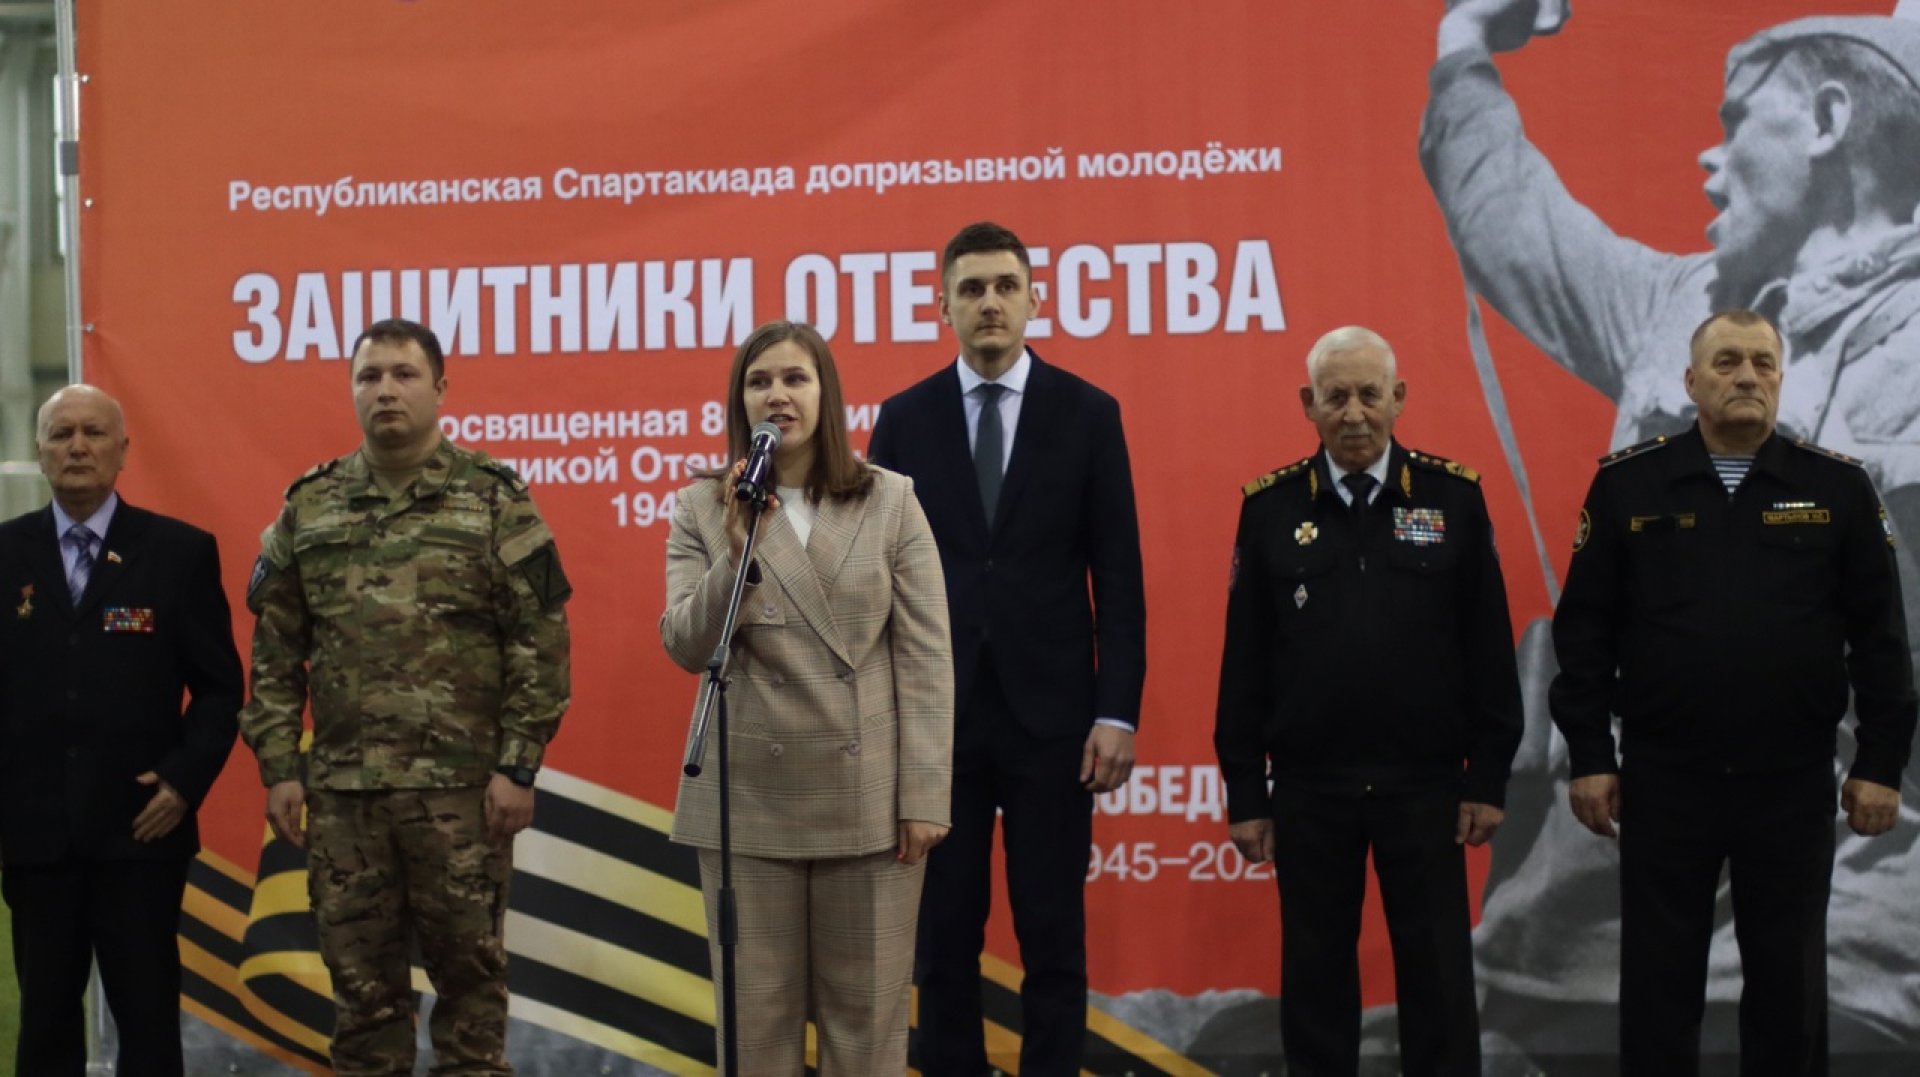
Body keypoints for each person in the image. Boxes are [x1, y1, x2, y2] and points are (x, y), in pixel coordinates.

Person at [1422, 5, 1920, 1056]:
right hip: (1596, 920)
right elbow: (1515, 219)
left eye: (1736, 122)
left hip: (1843, 921)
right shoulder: (1679, 305)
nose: (1708, 157)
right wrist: (1464, 42)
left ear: (1829, 120)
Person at [1548, 309, 1916, 1075]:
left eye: (1762, 363)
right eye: (1726, 363)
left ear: (1781, 378)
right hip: (1664, 778)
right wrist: (1589, 753)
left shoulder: (1838, 487)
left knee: (1789, 990)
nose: (1746, 376)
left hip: (1791, 781)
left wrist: (1881, 762)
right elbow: (1583, 636)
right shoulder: (1628, 484)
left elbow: (1883, 642)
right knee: (1658, 986)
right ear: (1691, 381)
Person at [239, 317, 572, 1076]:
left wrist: (518, 766)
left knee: (471, 1000)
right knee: (363, 1008)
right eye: (369, 376)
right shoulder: (310, 506)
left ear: (440, 388)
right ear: (352, 390)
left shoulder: (493, 499)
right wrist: (280, 766)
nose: (385, 390)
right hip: (345, 798)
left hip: (461, 797)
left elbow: (540, 640)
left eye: (404, 374)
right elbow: (277, 647)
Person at [867, 220, 1146, 1075]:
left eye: (1005, 286)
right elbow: (874, 582)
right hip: (935, 720)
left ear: (1033, 299)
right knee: (944, 937)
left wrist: (1117, 711)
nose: (989, 302)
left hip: (1054, 720)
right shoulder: (904, 420)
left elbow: (1120, 577)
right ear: (942, 305)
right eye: (971, 288)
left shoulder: (1089, 413)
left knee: (1053, 933)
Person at [1213, 326, 1522, 1076]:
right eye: (1336, 396)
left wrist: (1486, 777)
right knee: (1315, 979)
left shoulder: (1453, 498)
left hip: (1426, 785)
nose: (1354, 413)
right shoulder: (1269, 508)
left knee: (1439, 978)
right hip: (1310, 788)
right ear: (1308, 403)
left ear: (1399, 398)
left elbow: (1490, 652)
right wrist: (1247, 792)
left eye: (1369, 394)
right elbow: (1243, 664)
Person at [661, 320, 952, 1074]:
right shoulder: (702, 506)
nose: (777, 395)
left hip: (869, 801)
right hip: (748, 803)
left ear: (826, 394)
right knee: (755, 1031)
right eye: (759, 382)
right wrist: (736, 553)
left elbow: (925, 655)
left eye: (796, 378)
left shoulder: (890, 500)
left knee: (867, 1031)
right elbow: (686, 643)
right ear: (740, 401)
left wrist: (924, 794)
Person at [0, 384, 242, 1077]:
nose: (77, 446)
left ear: (123, 450)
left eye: (94, 433)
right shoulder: (6, 553)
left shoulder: (178, 551)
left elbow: (220, 689)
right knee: (45, 1023)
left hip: (142, 830)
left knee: (147, 1021)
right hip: (37, 836)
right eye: (61, 433)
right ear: (39, 451)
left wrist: (183, 782)